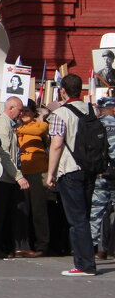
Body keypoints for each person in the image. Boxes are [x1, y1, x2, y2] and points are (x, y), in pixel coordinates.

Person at [46, 73, 100, 276]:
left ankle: (84, 264)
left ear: (62, 91)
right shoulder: (90, 110)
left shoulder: (61, 114)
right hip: (89, 168)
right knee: (84, 216)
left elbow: (57, 144)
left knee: (76, 220)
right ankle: (87, 259)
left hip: (69, 170)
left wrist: (51, 173)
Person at [0, 96, 30, 259]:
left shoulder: (10, 125)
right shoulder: (3, 125)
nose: (21, 113)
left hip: (7, 176)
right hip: (2, 176)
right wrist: (18, 176)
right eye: (20, 110)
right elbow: (3, 154)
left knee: (10, 211)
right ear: (11, 108)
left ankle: (7, 245)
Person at [15, 103, 50, 257]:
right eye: (21, 111)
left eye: (27, 111)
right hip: (20, 172)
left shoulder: (39, 125)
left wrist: (17, 128)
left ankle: (43, 244)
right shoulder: (16, 127)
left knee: (38, 210)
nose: (24, 114)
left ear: (34, 112)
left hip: (37, 172)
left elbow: (39, 130)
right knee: (22, 210)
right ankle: (23, 243)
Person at [90, 96, 115, 259]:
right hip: (112, 174)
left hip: (97, 174)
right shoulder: (113, 125)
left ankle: (89, 250)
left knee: (95, 214)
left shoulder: (94, 125)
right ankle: (108, 248)